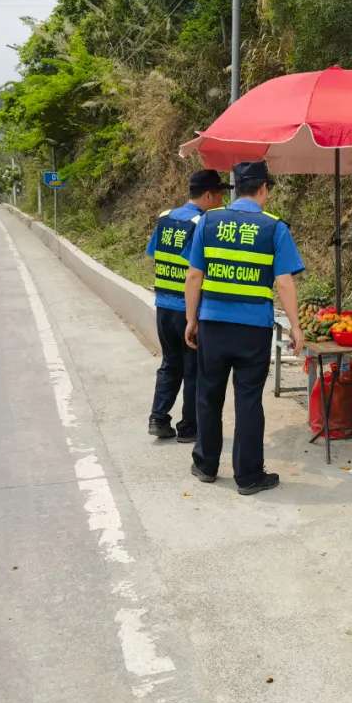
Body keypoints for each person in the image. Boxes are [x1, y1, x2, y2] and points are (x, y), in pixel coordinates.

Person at [184, 161, 305, 496]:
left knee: (208, 394)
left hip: (213, 324)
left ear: (236, 188)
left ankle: (206, 465)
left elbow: (194, 275)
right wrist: (296, 327)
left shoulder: (209, 221)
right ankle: (248, 476)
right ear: (263, 188)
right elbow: (284, 282)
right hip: (253, 329)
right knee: (249, 400)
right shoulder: (274, 228)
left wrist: (192, 319)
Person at [145, 169, 231, 441]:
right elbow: (200, 270)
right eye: (219, 195)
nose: (221, 201)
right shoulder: (202, 223)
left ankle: (158, 418)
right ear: (208, 195)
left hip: (163, 305)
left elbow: (153, 253)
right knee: (194, 367)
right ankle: (189, 427)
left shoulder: (165, 218)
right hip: (188, 309)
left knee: (170, 363)